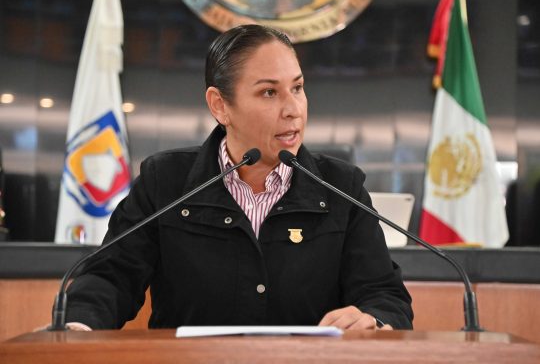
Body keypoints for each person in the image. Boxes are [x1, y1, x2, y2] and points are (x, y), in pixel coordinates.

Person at [64, 24, 413, 331]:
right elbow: (111, 277)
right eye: (269, 92)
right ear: (220, 106)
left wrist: (373, 319)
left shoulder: (341, 187)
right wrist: (77, 325)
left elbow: (385, 296)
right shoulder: (165, 182)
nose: (293, 109)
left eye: (297, 88)